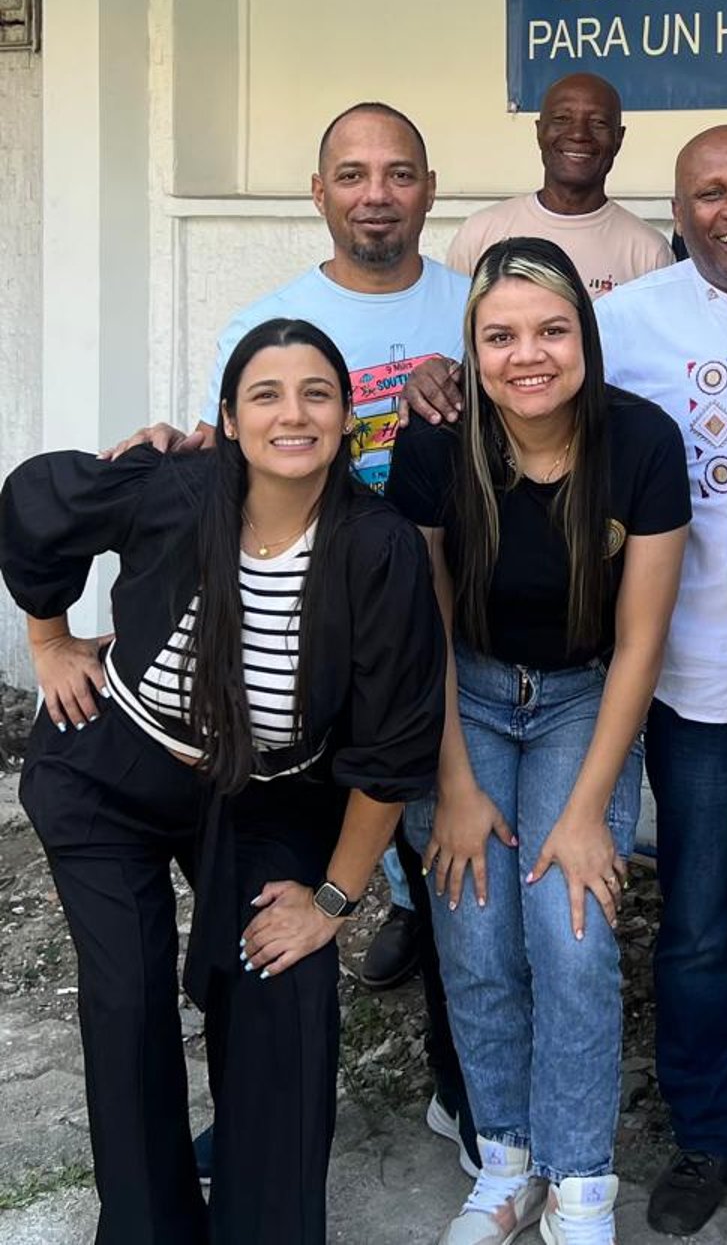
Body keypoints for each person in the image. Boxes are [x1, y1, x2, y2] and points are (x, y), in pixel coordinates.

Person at [404, 127, 727, 1238]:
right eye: (710, 191)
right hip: (691, 694)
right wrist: (441, 375)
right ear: (677, 209)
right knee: (694, 925)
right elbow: (423, 614)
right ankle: (687, 1138)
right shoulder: (629, 321)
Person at [1, 318, 443, 1244]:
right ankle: (149, 1227)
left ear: (348, 417)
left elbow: (394, 748)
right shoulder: (174, 486)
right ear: (229, 420)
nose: (294, 413)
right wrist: (48, 639)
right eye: (267, 395)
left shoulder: (379, 547)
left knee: (282, 979)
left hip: (267, 793)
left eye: (317, 393)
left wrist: (331, 898)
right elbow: (39, 500)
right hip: (110, 768)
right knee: (126, 1002)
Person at [111, 100, 479, 1176]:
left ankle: (466, 1095)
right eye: (353, 173)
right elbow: (226, 467)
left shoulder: (471, 309)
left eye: (399, 172)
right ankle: (265, 1112)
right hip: (296, 661)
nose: (377, 193)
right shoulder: (265, 319)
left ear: (428, 187)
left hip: (439, 632)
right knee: (271, 896)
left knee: (451, 874)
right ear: (320, 193)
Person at [388, 238, 690, 1245]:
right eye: (501, 334)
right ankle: (508, 1163)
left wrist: (592, 808)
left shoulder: (640, 442)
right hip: (460, 698)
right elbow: (420, 622)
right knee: (474, 937)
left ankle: (581, 1181)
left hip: (582, 703)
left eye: (552, 330)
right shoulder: (437, 442)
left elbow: (643, 636)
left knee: (573, 937)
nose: (530, 355)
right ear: (471, 348)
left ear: (586, 338)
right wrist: (456, 782)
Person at [443, 72, 672, 298]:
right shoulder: (480, 233)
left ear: (618, 139)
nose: (579, 134)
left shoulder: (649, 253)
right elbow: (453, 330)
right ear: (539, 131)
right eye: (562, 119)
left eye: (598, 123)